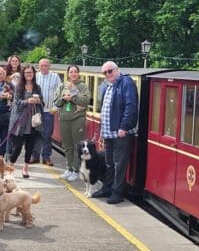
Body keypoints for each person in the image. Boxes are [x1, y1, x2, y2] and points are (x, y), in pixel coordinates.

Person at [91, 61, 138, 204]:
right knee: (109, 162)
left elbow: (131, 106)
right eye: (104, 73)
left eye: (110, 71)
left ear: (117, 70)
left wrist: (124, 126)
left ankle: (117, 193)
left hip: (120, 132)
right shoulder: (107, 86)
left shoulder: (126, 83)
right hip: (108, 132)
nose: (107, 75)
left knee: (119, 164)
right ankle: (107, 188)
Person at [54, 65, 90, 182]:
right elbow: (57, 102)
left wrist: (73, 98)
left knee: (77, 145)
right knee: (67, 145)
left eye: (75, 72)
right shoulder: (62, 86)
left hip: (77, 119)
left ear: (78, 74)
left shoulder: (83, 86)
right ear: (68, 74)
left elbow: (85, 101)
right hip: (64, 118)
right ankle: (69, 168)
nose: (73, 74)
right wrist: (64, 99)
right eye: (71, 72)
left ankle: (76, 170)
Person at [8, 65, 43, 179]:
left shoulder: (37, 87)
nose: (29, 74)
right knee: (17, 146)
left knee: (30, 146)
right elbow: (16, 103)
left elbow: (42, 102)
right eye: (27, 72)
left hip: (33, 121)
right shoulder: (19, 87)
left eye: (31, 73)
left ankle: (25, 168)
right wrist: (27, 101)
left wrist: (38, 101)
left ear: (34, 74)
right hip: (22, 120)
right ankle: (10, 167)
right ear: (23, 74)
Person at [31, 58, 61, 165]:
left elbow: (60, 92)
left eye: (46, 65)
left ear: (49, 66)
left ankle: (46, 157)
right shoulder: (35, 76)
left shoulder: (55, 76)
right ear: (38, 66)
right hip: (36, 110)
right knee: (35, 133)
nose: (44, 67)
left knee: (47, 134)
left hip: (49, 110)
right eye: (42, 65)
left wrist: (56, 107)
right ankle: (34, 156)